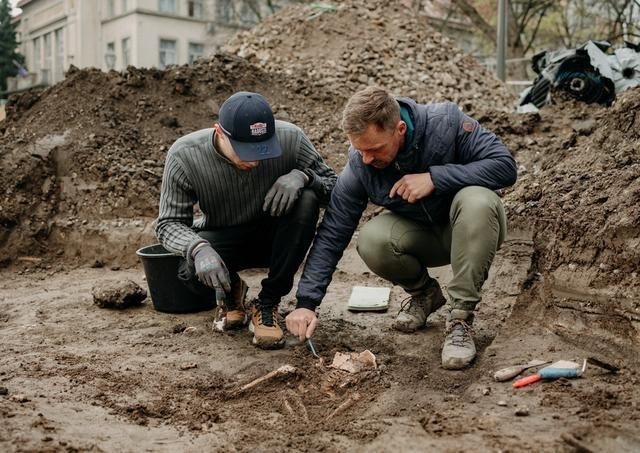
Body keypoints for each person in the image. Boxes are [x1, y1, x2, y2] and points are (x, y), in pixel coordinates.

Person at [286, 86, 517, 369]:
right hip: (424, 237)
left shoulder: (446, 123)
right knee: (372, 239)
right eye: (360, 150)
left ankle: (461, 318)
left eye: (374, 149)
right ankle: (425, 295)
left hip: (472, 231)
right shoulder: (361, 163)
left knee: (479, 201)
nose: (367, 159)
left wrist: (435, 177)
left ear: (400, 128)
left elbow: (504, 166)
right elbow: (333, 231)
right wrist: (306, 303)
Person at [155, 91, 337, 349]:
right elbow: (168, 223)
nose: (253, 160)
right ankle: (232, 290)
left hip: (276, 238)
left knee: (307, 200)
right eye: (244, 150)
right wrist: (198, 249)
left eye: (261, 150)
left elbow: (337, 189)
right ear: (219, 132)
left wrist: (304, 176)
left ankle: (267, 302)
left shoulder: (291, 139)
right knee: (188, 272)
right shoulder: (185, 155)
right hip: (224, 238)